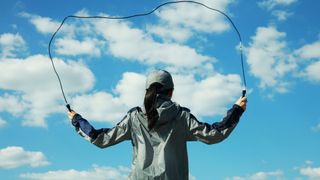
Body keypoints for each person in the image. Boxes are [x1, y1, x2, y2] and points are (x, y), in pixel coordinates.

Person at [67, 70, 247, 180]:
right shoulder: (181, 116)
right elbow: (214, 134)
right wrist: (237, 110)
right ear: (171, 92)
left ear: (147, 91)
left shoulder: (134, 117)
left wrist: (77, 120)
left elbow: (99, 139)